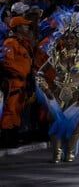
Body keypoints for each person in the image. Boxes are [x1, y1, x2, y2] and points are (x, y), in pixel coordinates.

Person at [33, 7, 79, 164]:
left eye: (72, 38)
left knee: (74, 123)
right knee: (53, 120)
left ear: (77, 40)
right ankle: (57, 152)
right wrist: (46, 89)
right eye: (66, 38)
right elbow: (40, 73)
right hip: (56, 92)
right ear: (62, 39)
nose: (69, 41)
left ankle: (69, 152)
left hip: (76, 93)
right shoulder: (55, 57)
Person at [0, 15, 35, 149]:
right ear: (18, 27)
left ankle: (14, 136)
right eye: (24, 25)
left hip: (23, 83)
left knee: (17, 110)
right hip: (14, 82)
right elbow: (6, 62)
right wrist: (22, 73)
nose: (27, 27)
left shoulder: (23, 42)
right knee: (10, 110)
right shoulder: (10, 43)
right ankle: (7, 137)